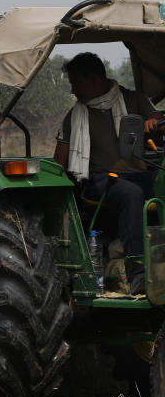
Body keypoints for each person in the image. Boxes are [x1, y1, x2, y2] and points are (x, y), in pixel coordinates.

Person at [53, 52, 164, 295]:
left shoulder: (134, 100)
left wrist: (153, 122)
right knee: (131, 194)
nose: (73, 90)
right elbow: (59, 161)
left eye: (75, 83)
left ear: (93, 79)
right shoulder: (75, 116)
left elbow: (158, 117)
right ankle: (138, 275)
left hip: (140, 175)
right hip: (99, 179)